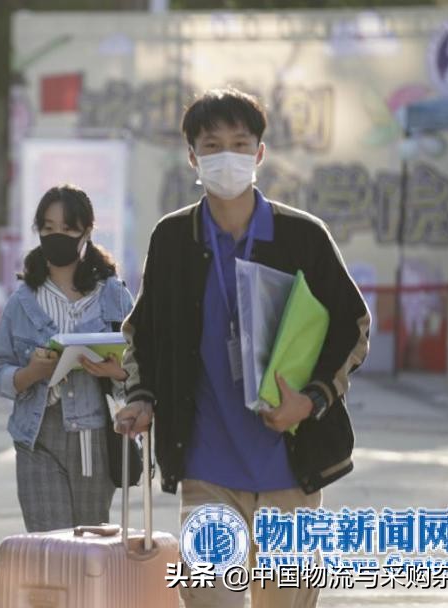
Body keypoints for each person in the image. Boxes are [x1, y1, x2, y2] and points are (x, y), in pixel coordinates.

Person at [115, 88, 370, 608]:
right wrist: (142, 398)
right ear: (192, 156)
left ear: (259, 152)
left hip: (291, 468)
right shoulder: (173, 238)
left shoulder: (304, 236)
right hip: (206, 466)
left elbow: (352, 326)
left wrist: (311, 400)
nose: (226, 156)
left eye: (239, 143)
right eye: (211, 145)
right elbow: (145, 332)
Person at [0, 184, 133, 533]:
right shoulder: (22, 302)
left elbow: (139, 367)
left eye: (68, 229)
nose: (57, 237)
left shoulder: (114, 296)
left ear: (87, 232)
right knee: (50, 544)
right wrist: (30, 373)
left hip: (94, 436)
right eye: (48, 228)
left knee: (89, 545)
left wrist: (118, 374)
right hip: (38, 435)